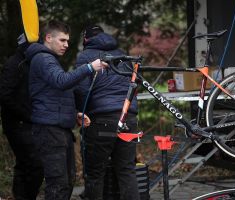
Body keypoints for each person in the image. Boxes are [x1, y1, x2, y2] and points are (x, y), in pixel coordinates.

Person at [24, 20, 108, 200]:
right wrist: (89, 67)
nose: (66, 45)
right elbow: (62, 81)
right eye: (62, 40)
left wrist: (74, 113)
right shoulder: (43, 58)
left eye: (68, 41)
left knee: (68, 181)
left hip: (59, 129)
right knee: (59, 183)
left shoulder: (49, 59)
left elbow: (53, 94)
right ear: (48, 38)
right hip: (49, 130)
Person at [75, 25, 140, 200]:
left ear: (85, 40)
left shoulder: (85, 57)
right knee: (127, 170)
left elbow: (81, 90)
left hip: (102, 119)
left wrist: (81, 112)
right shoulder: (122, 55)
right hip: (129, 117)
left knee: (95, 173)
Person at [0, 34, 44, 200]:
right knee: (34, 164)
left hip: (25, 122)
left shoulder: (30, 63)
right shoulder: (14, 64)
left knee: (25, 164)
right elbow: (5, 95)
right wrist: (28, 115)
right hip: (17, 124)